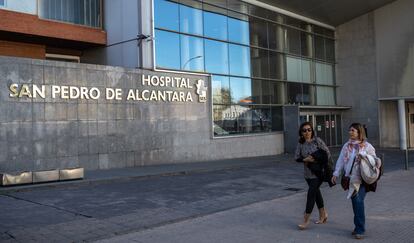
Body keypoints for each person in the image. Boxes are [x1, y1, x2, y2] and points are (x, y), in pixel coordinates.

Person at [331, 123, 379, 239]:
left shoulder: (367, 146)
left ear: (359, 132)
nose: (350, 132)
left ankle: (360, 229)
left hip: (363, 179)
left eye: (353, 130)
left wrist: (364, 155)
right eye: (350, 130)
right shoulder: (347, 146)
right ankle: (357, 226)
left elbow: (376, 161)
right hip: (350, 179)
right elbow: (341, 160)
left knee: (358, 201)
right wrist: (336, 173)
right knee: (355, 203)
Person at [294, 122, 331, 230]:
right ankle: (323, 215)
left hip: (318, 173)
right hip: (307, 174)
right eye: (304, 130)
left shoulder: (317, 141)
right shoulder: (301, 143)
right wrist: (304, 159)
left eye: (309, 130)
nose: (307, 132)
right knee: (316, 194)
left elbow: (327, 153)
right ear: (301, 132)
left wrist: (314, 158)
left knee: (311, 194)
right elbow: (296, 157)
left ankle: (305, 220)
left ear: (312, 130)